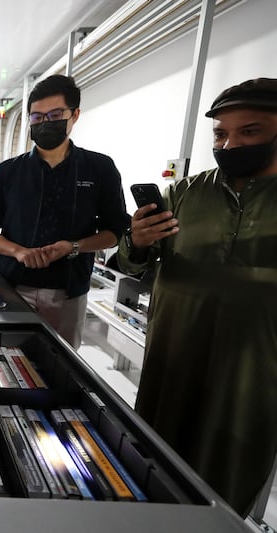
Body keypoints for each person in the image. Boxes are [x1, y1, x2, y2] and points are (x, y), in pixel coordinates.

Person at [117, 77, 277, 517]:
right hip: (174, 355)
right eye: (220, 134)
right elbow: (130, 266)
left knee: (227, 473)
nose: (229, 145)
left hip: (253, 370)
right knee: (154, 458)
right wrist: (137, 240)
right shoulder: (185, 194)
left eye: (250, 132)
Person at [0, 75, 128, 348]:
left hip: (68, 292)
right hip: (12, 286)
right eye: (36, 118)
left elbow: (114, 232)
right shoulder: (9, 172)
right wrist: (18, 251)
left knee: (62, 365)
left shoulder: (99, 169)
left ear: (75, 115)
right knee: (6, 357)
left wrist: (74, 246)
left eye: (55, 115)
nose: (45, 123)